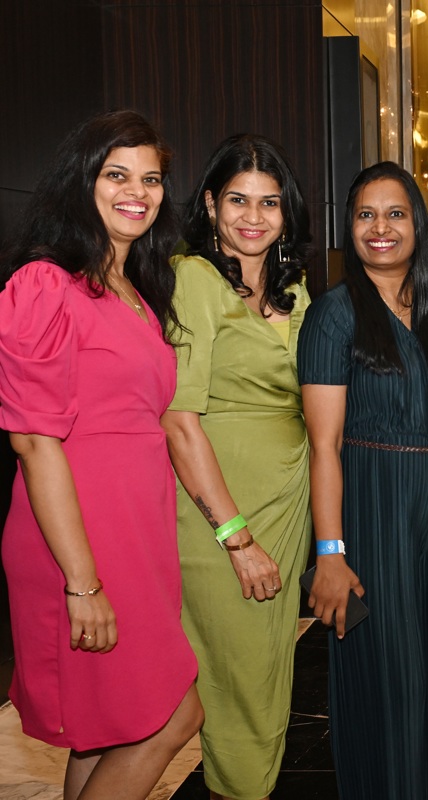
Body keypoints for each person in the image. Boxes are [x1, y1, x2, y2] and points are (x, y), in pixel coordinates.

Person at [0, 110, 203, 799]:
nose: (137, 192)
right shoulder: (44, 284)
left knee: (107, 724)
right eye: (117, 175)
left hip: (137, 534)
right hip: (79, 537)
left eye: (151, 179)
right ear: (80, 181)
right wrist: (81, 582)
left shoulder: (135, 288)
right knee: (174, 717)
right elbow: (34, 440)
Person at [298, 161, 428, 799]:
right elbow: (323, 446)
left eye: (396, 214)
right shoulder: (333, 315)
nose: (381, 228)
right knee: (389, 676)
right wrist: (330, 552)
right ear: (349, 228)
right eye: (366, 215)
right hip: (373, 507)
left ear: (419, 225)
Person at [162, 134, 313, 800]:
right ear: (209, 205)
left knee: (267, 676)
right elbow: (178, 419)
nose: (254, 217)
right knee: (238, 686)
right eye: (238, 200)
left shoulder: (293, 288)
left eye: (269, 202)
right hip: (223, 517)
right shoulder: (192, 279)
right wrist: (236, 537)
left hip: (286, 503)